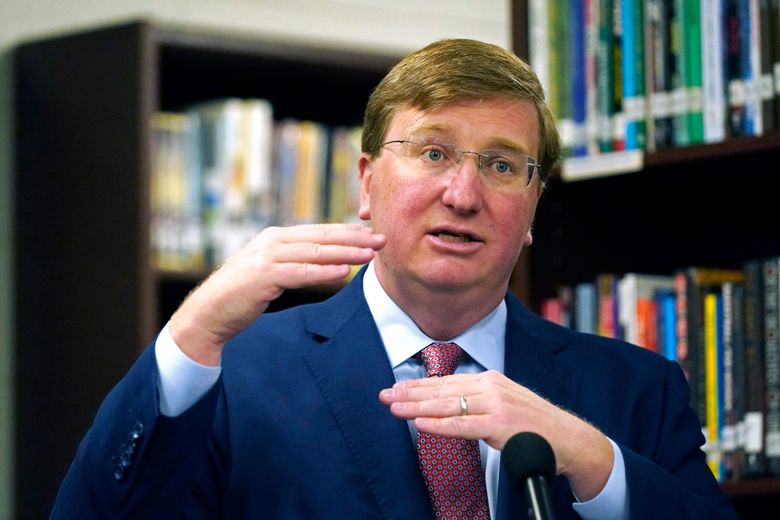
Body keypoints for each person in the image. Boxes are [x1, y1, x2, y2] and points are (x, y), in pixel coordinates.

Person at [52, 38, 739, 519]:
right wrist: (192, 332)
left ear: (533, 208)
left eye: (502, 165)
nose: (463, 195)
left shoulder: (635, 390)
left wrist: (595, 463)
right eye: (433, 153)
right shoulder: (236, 374)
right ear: (366, 182)